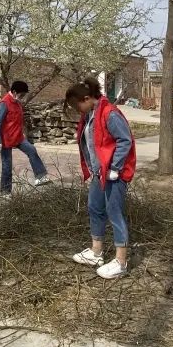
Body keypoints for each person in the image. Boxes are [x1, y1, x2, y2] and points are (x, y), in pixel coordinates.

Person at [66, 77, 136, 280]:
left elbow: (125, 140)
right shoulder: (90, 114)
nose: (76, 109)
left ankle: (121, 261)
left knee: (114, 212)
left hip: (114, 173)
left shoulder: (110, 113)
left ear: (87, 98)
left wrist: (115, 168)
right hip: (99, 172)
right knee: (95, 208)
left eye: (77, 104)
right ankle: (96, 252)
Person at [0, 80, 51, 194]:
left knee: (32, 150)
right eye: (22, 94)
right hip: (5, 140)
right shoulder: (4, 104)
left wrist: (22, 133)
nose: (23, 97)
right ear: (14, 92)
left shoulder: (18, 103)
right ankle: (5, 192)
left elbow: (18, 121)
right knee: (7, 166)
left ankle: (41, 177)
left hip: (18, 137)